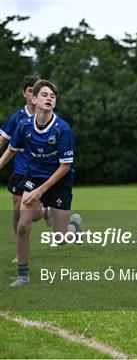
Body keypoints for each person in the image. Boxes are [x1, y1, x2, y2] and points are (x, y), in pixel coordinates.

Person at [0, 80, 83, 287]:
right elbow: (12, 148)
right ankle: (23, 275)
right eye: (44, 95)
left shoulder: (62, 129)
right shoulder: (24, 125)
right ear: (34, 99)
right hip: (33, 178)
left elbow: (64, 167)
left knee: (61, 239)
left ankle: (74, 227)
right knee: (23, 225)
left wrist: (40, 191)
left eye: (52, 96)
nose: (49, 98)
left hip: (59, 181)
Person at [0, 75, 52, 264]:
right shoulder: (17, 117)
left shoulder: (48, 116)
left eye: (36, 91)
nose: (33, 94)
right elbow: (3, 140)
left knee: (28, 213)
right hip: (19, 170)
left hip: (38, 172)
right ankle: (19, 251)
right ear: (25, 94)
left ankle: (44, 211)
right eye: (30, 90)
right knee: (16, 212)